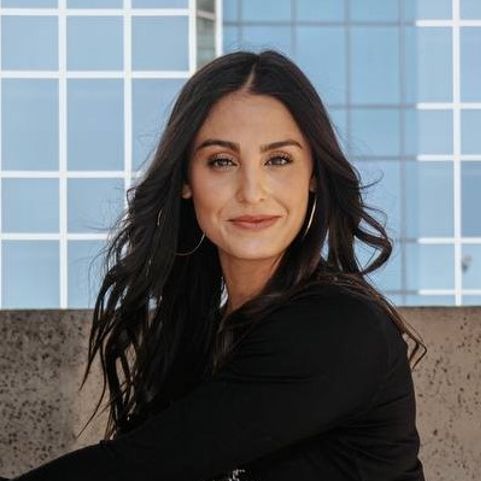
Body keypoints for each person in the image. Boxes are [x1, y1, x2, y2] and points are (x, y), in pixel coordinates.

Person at [4, 49, 426, 481]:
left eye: (278, 159)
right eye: (222, 161)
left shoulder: (339, 329)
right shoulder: (207, 334)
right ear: (187, 180)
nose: (251, 192)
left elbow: (139, 468)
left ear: (313, 175)